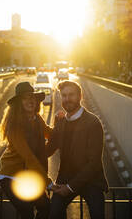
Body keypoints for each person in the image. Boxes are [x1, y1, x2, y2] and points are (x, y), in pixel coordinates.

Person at [47, 80, 108, 219]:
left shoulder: (93, 122)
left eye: (71, 95)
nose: (67, 99)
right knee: (53, 214)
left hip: (91, 181)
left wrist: (69, 188)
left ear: (80, 96)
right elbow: (48, 149)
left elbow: (94, 163)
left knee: (98, 216)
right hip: (65, 178)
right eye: (64, 95)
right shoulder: (61, 122)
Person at [0, 81, 53, 219]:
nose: (31, 100)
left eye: (32, 97)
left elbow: (50, 133)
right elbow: (28, 156)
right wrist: (47, 182)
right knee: (27, 212)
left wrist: (64, 123)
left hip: (28, 176)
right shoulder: (14, 124)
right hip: (12, 177)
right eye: (26, 97)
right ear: (19, 103)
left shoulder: (36, 119)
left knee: (46, 207)